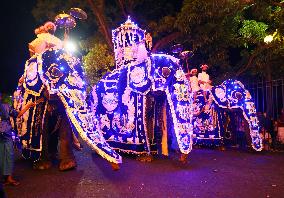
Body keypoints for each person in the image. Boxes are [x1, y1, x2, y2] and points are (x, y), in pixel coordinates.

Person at [0, 92, 19, 186]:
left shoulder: (6, 107)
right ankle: (5, 177)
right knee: (2, 156)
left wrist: (28, 106)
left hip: (6, 134)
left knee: (9, 156)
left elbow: (17, 114)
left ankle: (9, 177)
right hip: (4, 134)